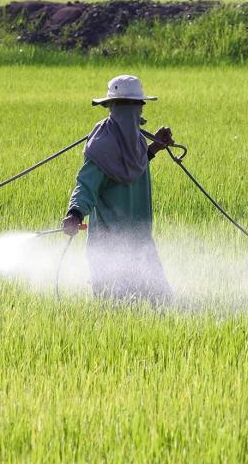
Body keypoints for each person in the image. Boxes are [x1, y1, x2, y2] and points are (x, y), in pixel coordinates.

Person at [62, 75, 175, 302]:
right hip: (109, 244)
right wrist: (75, 213)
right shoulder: (102, 144)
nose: (138, 110)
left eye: (138, 105)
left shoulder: (137, 141)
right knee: (116, 304)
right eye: (132, 105)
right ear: (114, 107)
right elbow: (86, 184)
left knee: (160, 303)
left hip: (140, 240)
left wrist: (155, 147)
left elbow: (131, 169)